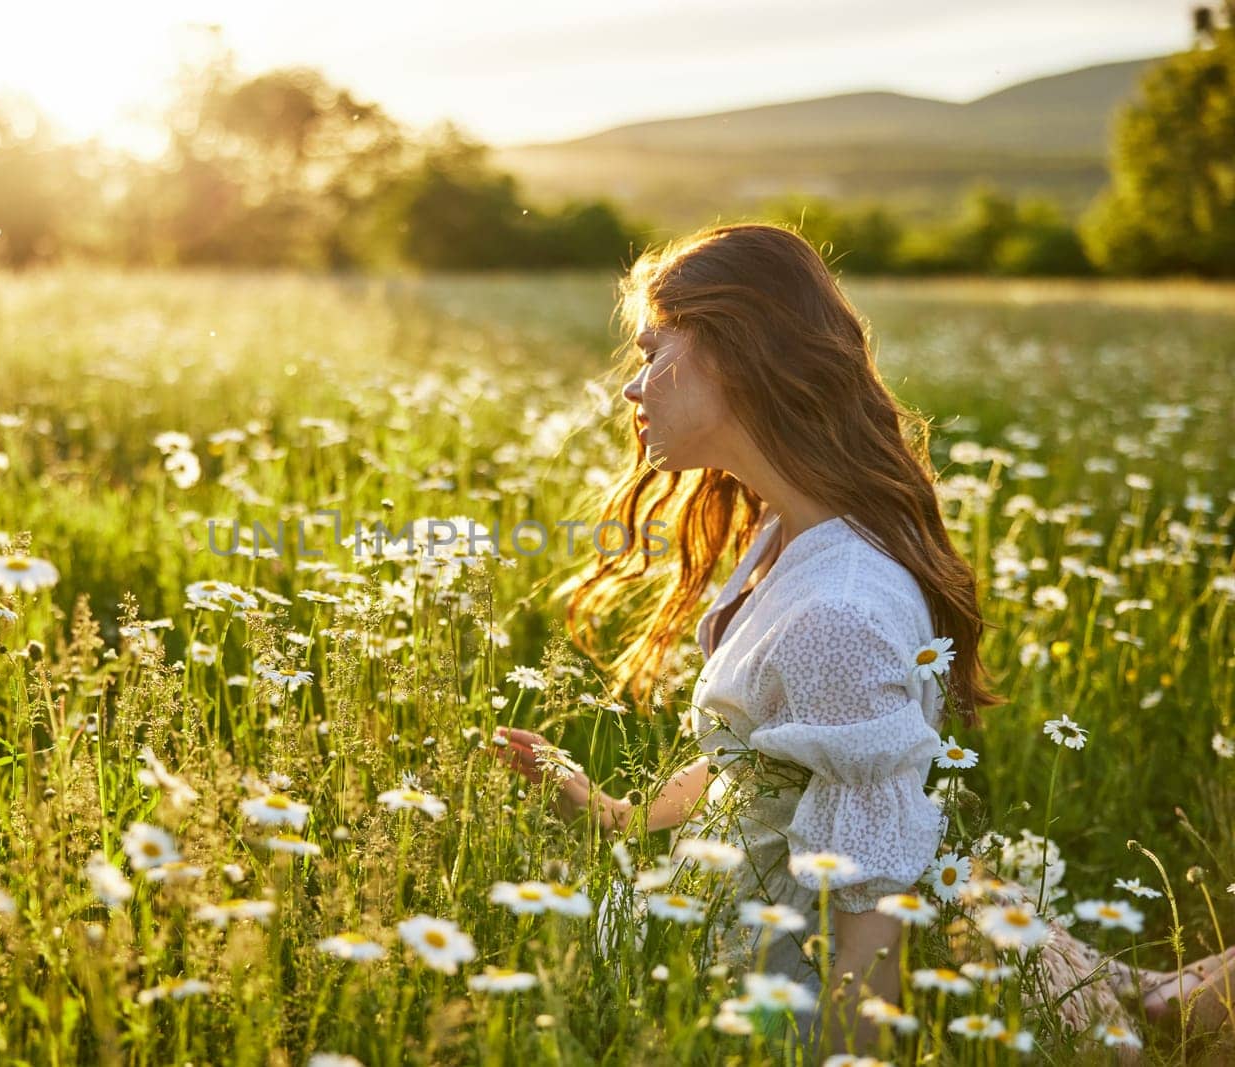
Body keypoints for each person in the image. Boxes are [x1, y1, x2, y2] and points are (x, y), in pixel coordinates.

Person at [486, 223, 1231, 1061]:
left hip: (774, 987)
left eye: (654, 350)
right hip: (741, 921)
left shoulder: (838, 607)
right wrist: (615, 816)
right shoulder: (787, 536)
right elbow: (758, 761)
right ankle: (1138, 1006)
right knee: (1138, 1004)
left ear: (737, 352)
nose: (633, 388)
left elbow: (873, 893)